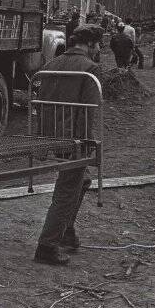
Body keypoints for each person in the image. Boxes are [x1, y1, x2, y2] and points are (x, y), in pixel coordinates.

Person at [34, 24, 104, 266]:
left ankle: (66, 230)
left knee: (81, 181)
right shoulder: (90, 69)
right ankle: (47, 245)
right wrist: (86, 145)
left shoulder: (50, 64)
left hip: (47, 135)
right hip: (72, 138)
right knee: (67, 188)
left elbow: (38, 105)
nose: (99, 49)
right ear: (91, 44)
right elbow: (87, 114)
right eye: (98, 45)